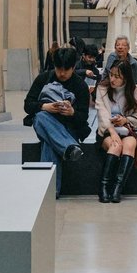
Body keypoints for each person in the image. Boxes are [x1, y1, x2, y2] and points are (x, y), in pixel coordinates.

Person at [23, 46, 91, 192]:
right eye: (59, 69)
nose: (62, 73)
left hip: (69, 129)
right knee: (40, 116)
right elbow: (28, 105)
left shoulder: (80, 85)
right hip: (46, 123)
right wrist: (45, 106)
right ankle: (69, 147)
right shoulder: (43, 79)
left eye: (66, 70)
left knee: (49, 143)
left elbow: (83, 117)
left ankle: (48, 192)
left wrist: (72, 112)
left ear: (73, 68)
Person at [95, 61, 137, 203]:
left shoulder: (134, 90)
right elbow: (102, 114)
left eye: (117, 76)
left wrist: (125, 120)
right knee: (116, 146)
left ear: (126, 78)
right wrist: (112, 131)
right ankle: (103, 187)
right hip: (107, 130)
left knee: (129, 145)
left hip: (127, 129)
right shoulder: (102, 88)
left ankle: (117, 189)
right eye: (111, 75)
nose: (112, 79)